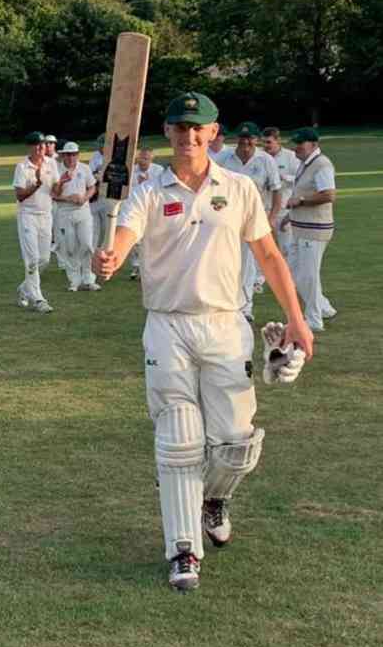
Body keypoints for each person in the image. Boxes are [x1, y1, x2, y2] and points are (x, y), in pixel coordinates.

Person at [92, 92, 313, 591]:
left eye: (199, 129)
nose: (189, 137)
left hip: (225, 324)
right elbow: (121, 240)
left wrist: (297, 318)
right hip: (168, 326)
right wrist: (105, 260)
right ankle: (183, 551)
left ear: (214, 134)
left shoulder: (238, 188)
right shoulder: (146, 192)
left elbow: (271, 256)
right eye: (180, 128)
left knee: (236, 443)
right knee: (180, 441)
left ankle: (214, 497)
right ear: (167, 133)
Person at [217, 121, 282, 321]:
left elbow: (276, 191)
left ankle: (245, 308)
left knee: (247, 265)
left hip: (255, 218)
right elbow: (213, 187)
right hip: (228, 218)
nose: (246, 142)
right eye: (242, 138)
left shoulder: (265, 160)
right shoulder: (224, 158)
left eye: (250, 138)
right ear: (237, 139)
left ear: (256, 140)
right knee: (226, 262)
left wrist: (271, 217)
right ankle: (227, 304)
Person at [285, 127, 337, 332]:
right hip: (301, 227)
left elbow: (328, 195)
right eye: (295, 143)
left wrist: (301, 200)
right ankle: (324, 308)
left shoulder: (322, 164)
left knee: (308, 275)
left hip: (315, 229)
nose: (296, 147)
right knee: (294, 272)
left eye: (300, 143)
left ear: (314, 145)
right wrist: (289, 217)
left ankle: (314, 319)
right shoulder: (306, 163)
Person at [13, 131, 59, 313]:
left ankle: (24, 289)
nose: (41, 148)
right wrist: (37, 183)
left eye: (43, 144)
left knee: (44, 260)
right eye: (37, 145)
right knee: (31, 260)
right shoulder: (22, 167)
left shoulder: (51, 163)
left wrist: (61, 183)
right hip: (28, 216)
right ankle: (38, 299)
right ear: (30, 147)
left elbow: (55, 190)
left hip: (46, 216)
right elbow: (20, 195)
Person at [53, 142, 100, 292]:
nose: (71, 157)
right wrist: (68, 196)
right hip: (64, 212)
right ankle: (74, 281)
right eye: (68, 154)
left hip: (83, 211)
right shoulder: (57, 170)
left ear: (78, 155)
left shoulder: (84, 168)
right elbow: (53, 194)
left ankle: (88, 279)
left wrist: (84, 198)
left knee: (86, 244)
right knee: (70, 247)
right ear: (63, 155)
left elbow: (92, 187)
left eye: (74, 154)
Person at [262, 127, 299, 258]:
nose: (265, 146)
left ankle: (288, 275)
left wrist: (284, 178)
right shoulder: (260, 157)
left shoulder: (290, 156)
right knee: (262, 248)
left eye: (269, 142)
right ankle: (259, 278)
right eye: (263, 143)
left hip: (284, 210)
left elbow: (300, 178)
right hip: (263, 210)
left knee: (286, 247)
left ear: (278, 140)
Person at [129, 147, 164, 280]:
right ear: (137, 158)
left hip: (154, 208)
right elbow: (129, 192)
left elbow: (161, 190)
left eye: (147, 159)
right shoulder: (131, 171)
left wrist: (147, 185)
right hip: (136, 208)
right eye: (142, 158)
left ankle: (153, 267)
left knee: (153, 238)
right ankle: (136, 267)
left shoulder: (158, 171)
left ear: (151, 159)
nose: (144, 161)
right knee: (136, 239)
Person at [89, 133, 106, 250]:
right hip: (95, 197)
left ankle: (105, 251)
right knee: (94, 229)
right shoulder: (95, 156)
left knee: (107, 227)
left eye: (102, 146)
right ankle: (91, 254)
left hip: (108, 197)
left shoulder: (114, 156)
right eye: (99, 146)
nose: (100, 148)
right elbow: (91, 174)